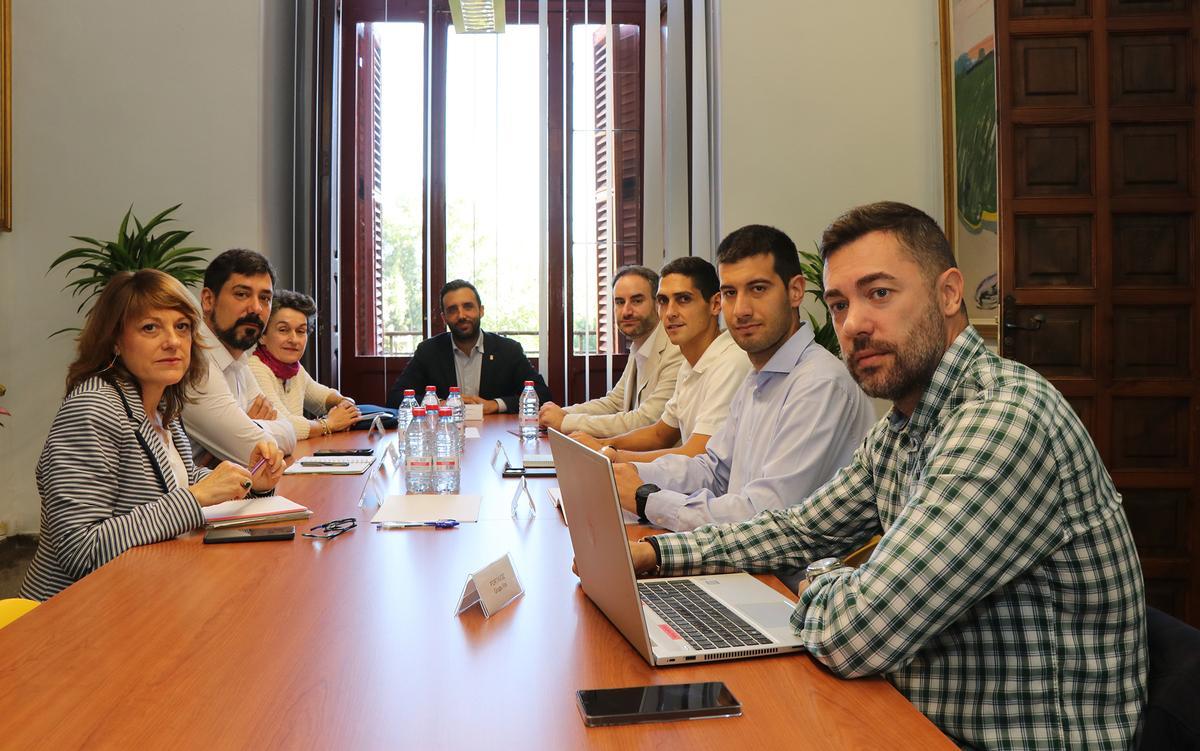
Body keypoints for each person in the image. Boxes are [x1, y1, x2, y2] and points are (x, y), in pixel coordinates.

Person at [626, 202, 1146, 750]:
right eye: (840, 304)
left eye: (879, 294)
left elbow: (856, 633)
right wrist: (659, 556)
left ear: (948, 294)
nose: (853, 325)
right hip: (913, 712)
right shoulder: (906, 422)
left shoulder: (1003, 419)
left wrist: (821, 575)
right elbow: (799, 529)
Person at [20, 270, 285, 601]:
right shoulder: (93, 408)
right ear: (115, 339)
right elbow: (80, 551)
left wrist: (250, 481)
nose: (173, 341)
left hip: (145, 592)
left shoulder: (161, 405)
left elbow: (181, 481)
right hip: (72, 615)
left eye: (182, 327)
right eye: (150, 328)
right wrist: (197, 497)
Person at [611, 225, 874, 535]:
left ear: (795, 291)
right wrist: (629, 473)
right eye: (730, 293)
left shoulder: (819, 383)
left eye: (758, 289)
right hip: (743, 561)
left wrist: (646, 499)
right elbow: (713, 470)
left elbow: (764, 516)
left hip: (789, 579)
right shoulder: (758, 378)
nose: (741, 310)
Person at [569, 257, 750, 463]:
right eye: (664, 301)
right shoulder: (689, 363)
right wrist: (601, 444)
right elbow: (660, 434)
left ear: (715, 304)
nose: (670, 313)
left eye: (683, 299)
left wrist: (612, 455)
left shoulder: (731, 362)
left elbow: (697, 453)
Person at [539, 266, 683, 437]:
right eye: (620, 302)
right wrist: (561, 413)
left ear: (658, 304)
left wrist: (565, 421)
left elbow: (647, 421)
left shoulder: (677, 350)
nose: (627, 311)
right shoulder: (640, 344)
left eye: (637, 301)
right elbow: (615, 402)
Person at [183, 249, 297, 463]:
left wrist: (247, 424)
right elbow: (255, 452)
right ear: (208, 300)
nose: (256, 308)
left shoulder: (237, 359)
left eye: (265, 298)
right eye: (242, 294)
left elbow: (290, 434)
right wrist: (249, 429)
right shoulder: (195, 359)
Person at [385, 280, 551, 413]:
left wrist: (495, 405)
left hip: (495, 436)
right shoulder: (429, 351)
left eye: (468, 307)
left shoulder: (508, 350)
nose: (461, 315)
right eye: (452, 310)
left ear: (481, 310)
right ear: (444, 318)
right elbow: (395, 398)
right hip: (447, 435)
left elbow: (542, 395)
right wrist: (440, 403)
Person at [248, 290, 361, 438]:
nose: (294, 339)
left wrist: (344, 403)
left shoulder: (294, 369)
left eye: (301, 331)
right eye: (283, 330)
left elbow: (323, 397)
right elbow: (283, 426)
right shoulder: (254, 368)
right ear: (262, 336)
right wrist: (329, 424)